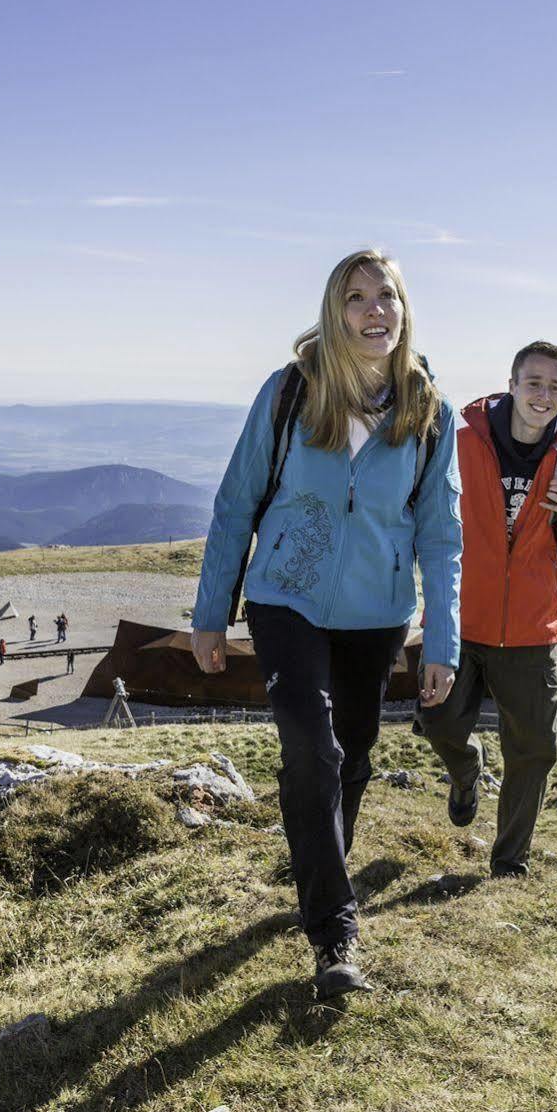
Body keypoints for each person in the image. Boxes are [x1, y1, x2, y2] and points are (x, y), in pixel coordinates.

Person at [189, 249, 462, 997]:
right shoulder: (290, 393)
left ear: (404, 312)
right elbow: (235, 502)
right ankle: (333, 931)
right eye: (356, 298)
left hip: (377, 614)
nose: (374, 311)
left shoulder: (427, 411)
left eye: (387, 297)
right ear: (332, 312)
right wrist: (210, 615)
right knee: (311, 747)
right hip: (286, 598)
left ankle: (321, 867)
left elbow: (441, 535)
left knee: (352, 756)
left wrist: (442, 641)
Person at [419, 341, 557, 877]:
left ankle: (509, 862)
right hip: (460, 618)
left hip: (532, 629)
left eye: (555, 386)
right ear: (511, 384)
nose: (544, 395)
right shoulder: (460, 440)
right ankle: (465, 772)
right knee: (437, 725)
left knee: (533, 752)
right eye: (534, 383)